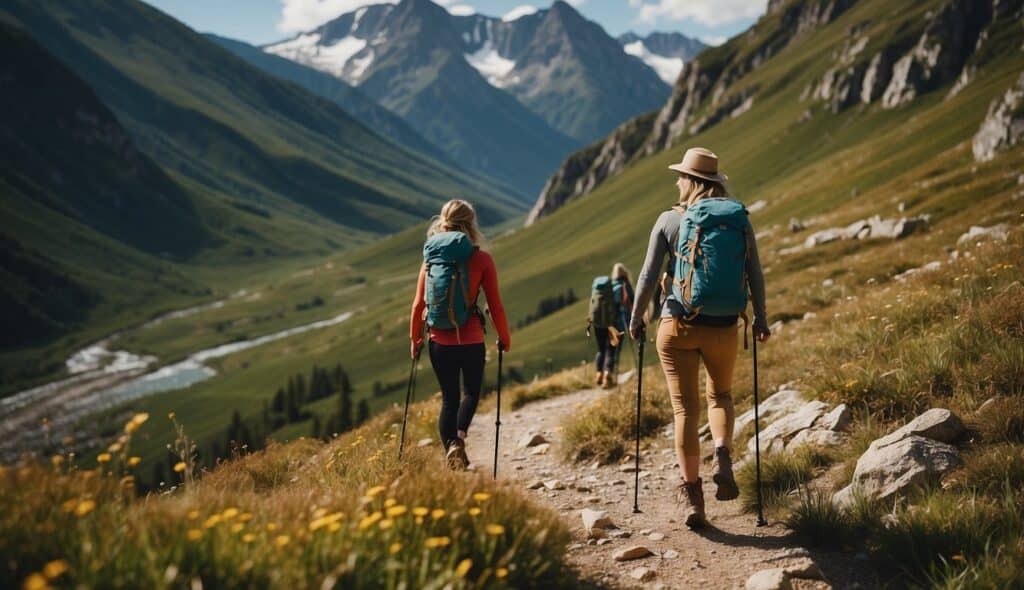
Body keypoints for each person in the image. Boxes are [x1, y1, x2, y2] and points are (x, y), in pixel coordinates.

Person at [629, 147, 769, 528]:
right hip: (723, 327)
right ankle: (722, 453)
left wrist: (637, 316)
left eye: (680, 176)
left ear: (690, 181)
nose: (677, 181)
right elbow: (755, 273)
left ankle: (693, 495)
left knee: (685, 410)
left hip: (677, 326)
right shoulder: (738, 220)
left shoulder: (669, 220)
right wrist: (761, 319)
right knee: (720, 396)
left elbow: (646, 276)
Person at [410, 199, 511, 471]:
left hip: (438, 340)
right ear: (471, 224)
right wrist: (505, 336)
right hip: (471, 339)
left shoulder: (431, 258)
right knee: (471, 394)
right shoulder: (481, 259)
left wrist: (415, 338)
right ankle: (460, 438)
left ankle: (452, 447)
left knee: (448, 399)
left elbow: (418, 304)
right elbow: (496, 305)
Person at [588, 264, 634, 387]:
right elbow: (630, 306)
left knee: (601, 349)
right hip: (615, 324)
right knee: (611, 350)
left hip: (598, 323)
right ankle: (608, 374)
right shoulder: (624, 286)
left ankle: (599, 374)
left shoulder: (608, 287)